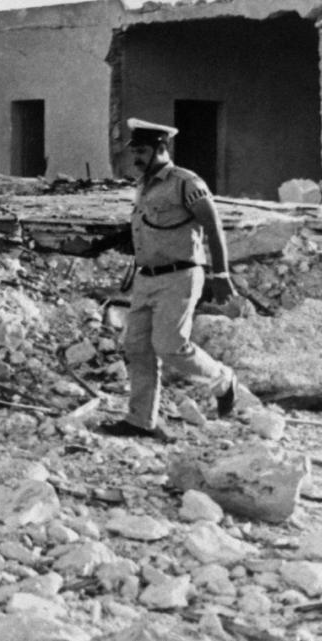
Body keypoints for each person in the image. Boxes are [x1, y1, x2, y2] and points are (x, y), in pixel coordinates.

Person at [97, 118, 239, 441]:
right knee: (137, 348)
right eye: (135, 151)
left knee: (170, 346)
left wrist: (221, 274)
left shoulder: (185, 183)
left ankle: (223, 380)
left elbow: (213, 226)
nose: (136, 157)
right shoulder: (144, 185)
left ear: (161, 148)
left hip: (180, 276)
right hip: (146, 278)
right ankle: (140, 421)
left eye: (142, 151)